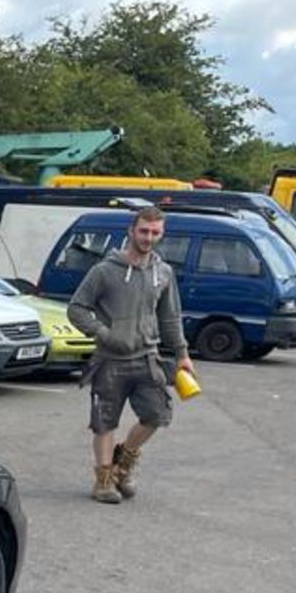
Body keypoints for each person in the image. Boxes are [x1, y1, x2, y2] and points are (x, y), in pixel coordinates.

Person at [66, 205, 193, 504]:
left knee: (156, 415)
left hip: (147, 357)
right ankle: (104, 481)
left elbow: (170, 318)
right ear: (131, 231)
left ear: (161, 234)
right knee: (104, 423)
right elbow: (76, 309)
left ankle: (122, 464)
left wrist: (183, 354)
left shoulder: (163, 273)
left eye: (155, 233)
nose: (149, 237)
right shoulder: (104, 271)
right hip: (109, 361)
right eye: (144, 231)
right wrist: (104, 334)